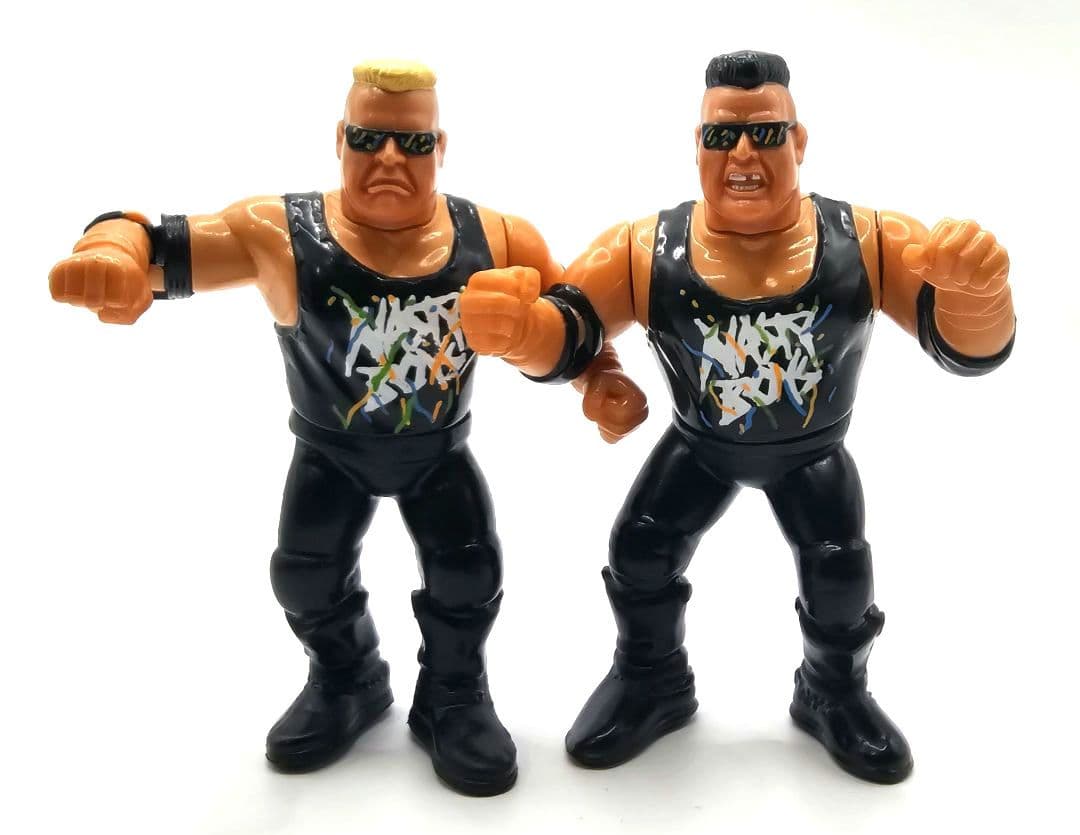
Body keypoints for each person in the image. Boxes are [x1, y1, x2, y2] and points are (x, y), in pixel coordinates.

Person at [48, 59, 630, 796]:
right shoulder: (280, 233)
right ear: (339, 140)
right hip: (329, 453)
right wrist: (112, 252)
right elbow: (157, 242)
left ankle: (454, 694)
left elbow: (574, 318)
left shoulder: (498, 237)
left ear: (441, 148)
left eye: (412, 143)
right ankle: (347, 678)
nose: (389, 159)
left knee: (467, 573)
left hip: (437, 451)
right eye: (368, 138)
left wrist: (598, 377)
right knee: (304, 574)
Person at [460, 50, 1014, 784]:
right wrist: (519, 332)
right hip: (701, 446)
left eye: (766, 133)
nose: (744, 154)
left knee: (840, 574)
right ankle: (651, 678)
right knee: (640, 552)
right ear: (698, 146)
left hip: (813, 452)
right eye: (723, 136)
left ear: (800, 141)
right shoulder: (645, 249)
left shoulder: (869, 240)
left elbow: (965, 348)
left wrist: (979, 293)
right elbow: (571, 328)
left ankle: (834, 691)